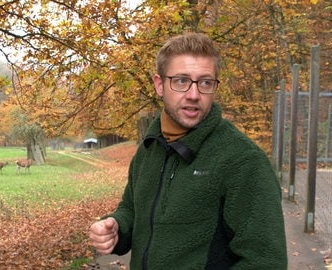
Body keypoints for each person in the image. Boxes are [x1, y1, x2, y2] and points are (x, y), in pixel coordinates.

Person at [89, 32, 287, 269]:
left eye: (205, 82)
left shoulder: (243, 161)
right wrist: (116, 227)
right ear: (159, 85)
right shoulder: (149, 149)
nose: (194, 95)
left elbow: (265, 262)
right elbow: (132, 208)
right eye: (181, 81)